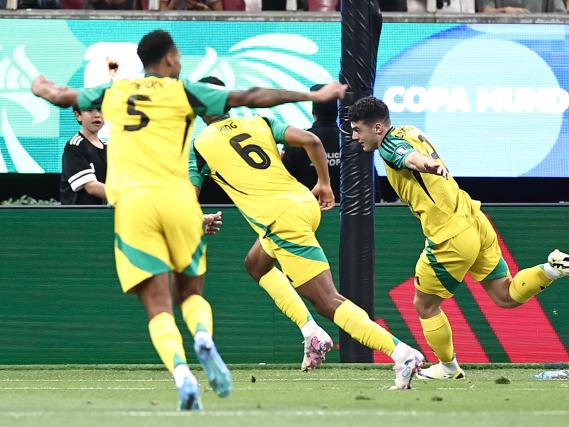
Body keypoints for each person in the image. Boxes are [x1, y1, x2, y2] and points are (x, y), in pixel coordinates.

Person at [31, 29, 347, 410]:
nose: (180, 61)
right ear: (168, 60)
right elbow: (252, 96)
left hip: (134, 206)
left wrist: (39, 84)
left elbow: (57, 96)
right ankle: (202, 336)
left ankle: (182, 372)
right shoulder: (187, 92)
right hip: (179, 200)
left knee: (158, 306)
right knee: (192, 294)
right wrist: (312, 96)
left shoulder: (112, 93)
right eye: (178, 55)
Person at [189, 78, 425, 390]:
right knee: (256, 264)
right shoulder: (259, 121)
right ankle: (311, 332)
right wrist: (324, 184)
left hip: (280, 220)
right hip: (304, 203)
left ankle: (401, 352)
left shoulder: (199, 145)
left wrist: (199, 219)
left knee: (328, 300)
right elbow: (312, 140)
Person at [348, 96, 569, 380]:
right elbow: (412, 153)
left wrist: (425, 165)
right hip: (474, 220)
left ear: (378, 128)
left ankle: (448, 367)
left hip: (449, 235)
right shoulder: (408, 129)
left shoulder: (391, 146)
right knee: (505, 295)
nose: (355, 137)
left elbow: (408, 157)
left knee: (424, 305)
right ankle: (554, 268)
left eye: (358, 130)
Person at [282, 84, 340, 202]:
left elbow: (282, 184)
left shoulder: (296, 142)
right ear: (338, 111)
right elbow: (371, 186)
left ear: (313, 111)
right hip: (348, 215)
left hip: (304, 211)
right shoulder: (354, 142)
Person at [59, 106, 107, 205]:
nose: (97, 115)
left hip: (102, 216)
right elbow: (91, 187)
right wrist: (125, 197)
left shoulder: (108, 147)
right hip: (79, 217)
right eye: (89, 111)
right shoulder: (74, 146)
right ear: (78, 115)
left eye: (101, 110)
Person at [477, 0, 566, 13]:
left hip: (538, 44)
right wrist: (504, 11)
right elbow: (485, 10)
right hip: (501, 41)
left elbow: (560, 13)